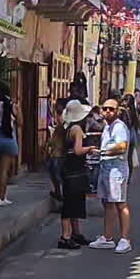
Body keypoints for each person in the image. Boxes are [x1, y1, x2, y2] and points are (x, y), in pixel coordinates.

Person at [90, 97, 132, 253]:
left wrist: (102, 152)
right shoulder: (107, 126)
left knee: (120, 204)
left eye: (111, 109)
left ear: (118, 111)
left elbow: (121, 147)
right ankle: (107, 238)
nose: (108, 111)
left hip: (116, 170)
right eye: (105, 108)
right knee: (108, 203)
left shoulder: (119, 127)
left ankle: (124, 239)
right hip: (106, 169)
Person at [59, 99, 92, 250]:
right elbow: (78, 150)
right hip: (75, 170)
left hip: (68, 169)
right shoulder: (77, 129)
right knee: (71, 205)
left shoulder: (67, 128)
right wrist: (90, 148)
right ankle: (66, 236)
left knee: (73, 203)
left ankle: (75, 234)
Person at [45, 96, 67, 202]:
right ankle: (58, 193)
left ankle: (62, 197)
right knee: (53, 174)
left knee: (58, 176)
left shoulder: (65, 118)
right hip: (55, 152)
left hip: (59, 153)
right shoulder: (60, 117)